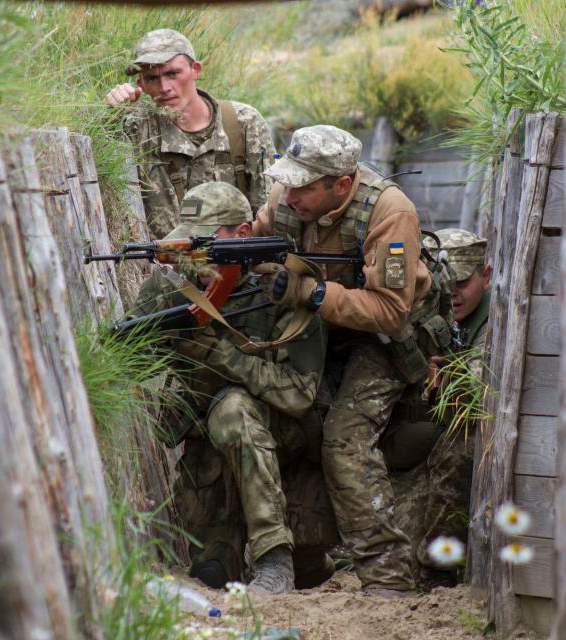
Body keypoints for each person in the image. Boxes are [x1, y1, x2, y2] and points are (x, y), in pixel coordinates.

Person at [251, 124, 436, 597]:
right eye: (288, 183)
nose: (291, 196)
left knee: (344, 440)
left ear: (342, 184)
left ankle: (389, 580)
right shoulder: (286, 198)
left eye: (304, 187)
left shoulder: (390, 214)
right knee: (293, 422)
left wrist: (311, 293)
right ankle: (308, 560)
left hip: (383, 341)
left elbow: (392, 313)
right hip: (320, 334)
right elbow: (253, 239)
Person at [128, 181, 330, 594]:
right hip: (207, 442)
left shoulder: (281, 288)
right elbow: (126, 359)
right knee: (212, 574)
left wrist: (224, 357)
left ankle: (276, 560)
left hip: (277, 433)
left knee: (233, 408)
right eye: (188, 238)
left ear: (241, 235)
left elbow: (299, 394)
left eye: (205, 239)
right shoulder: (175, 284)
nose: (191, 250)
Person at [389, 228, 491, 589]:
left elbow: (478, 396)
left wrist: (448, 379)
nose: (453, 292)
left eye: (462, 281)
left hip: (458, 451)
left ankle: (439, 569)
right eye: (444, 282)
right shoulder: (426, 311)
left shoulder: (496, 323)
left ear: (487, 275)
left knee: (462, 441)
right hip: (420, 452)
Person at [105, 29, 275, 239]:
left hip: (236, 262)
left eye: (172, 74)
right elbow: (104, 176)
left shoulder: (244, 123)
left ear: (195, 70)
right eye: (152, 78)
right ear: (141, 84)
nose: (164, 87)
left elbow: (268, 210)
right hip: (164, 265)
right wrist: (111, 116)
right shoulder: (136, 128)